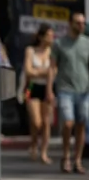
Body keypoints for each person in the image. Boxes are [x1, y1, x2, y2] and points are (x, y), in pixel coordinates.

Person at [47, 12, 89, 174]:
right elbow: (52, 68)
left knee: (81, 123)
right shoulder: (59, 44)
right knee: (68, 123)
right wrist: (50, 90)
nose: (81, 26)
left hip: (84, 90)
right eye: (78, 23)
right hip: (65, 89)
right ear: (70, 23)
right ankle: (65, 156)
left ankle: (77, 159)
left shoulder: (87, 43)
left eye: (83, 23)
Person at [25, 24, 54, 164]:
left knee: (46, 122)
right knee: (36, 121)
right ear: (41, 37)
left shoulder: (53, 51)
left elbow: (55, 72)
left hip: (47, 88)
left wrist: (38, 71)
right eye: (48, 35)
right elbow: (28, 71)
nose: (51, 38)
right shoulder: (30, 50)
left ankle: (44, 152)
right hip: (32, 87)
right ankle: (34, 142)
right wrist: (45, 72)